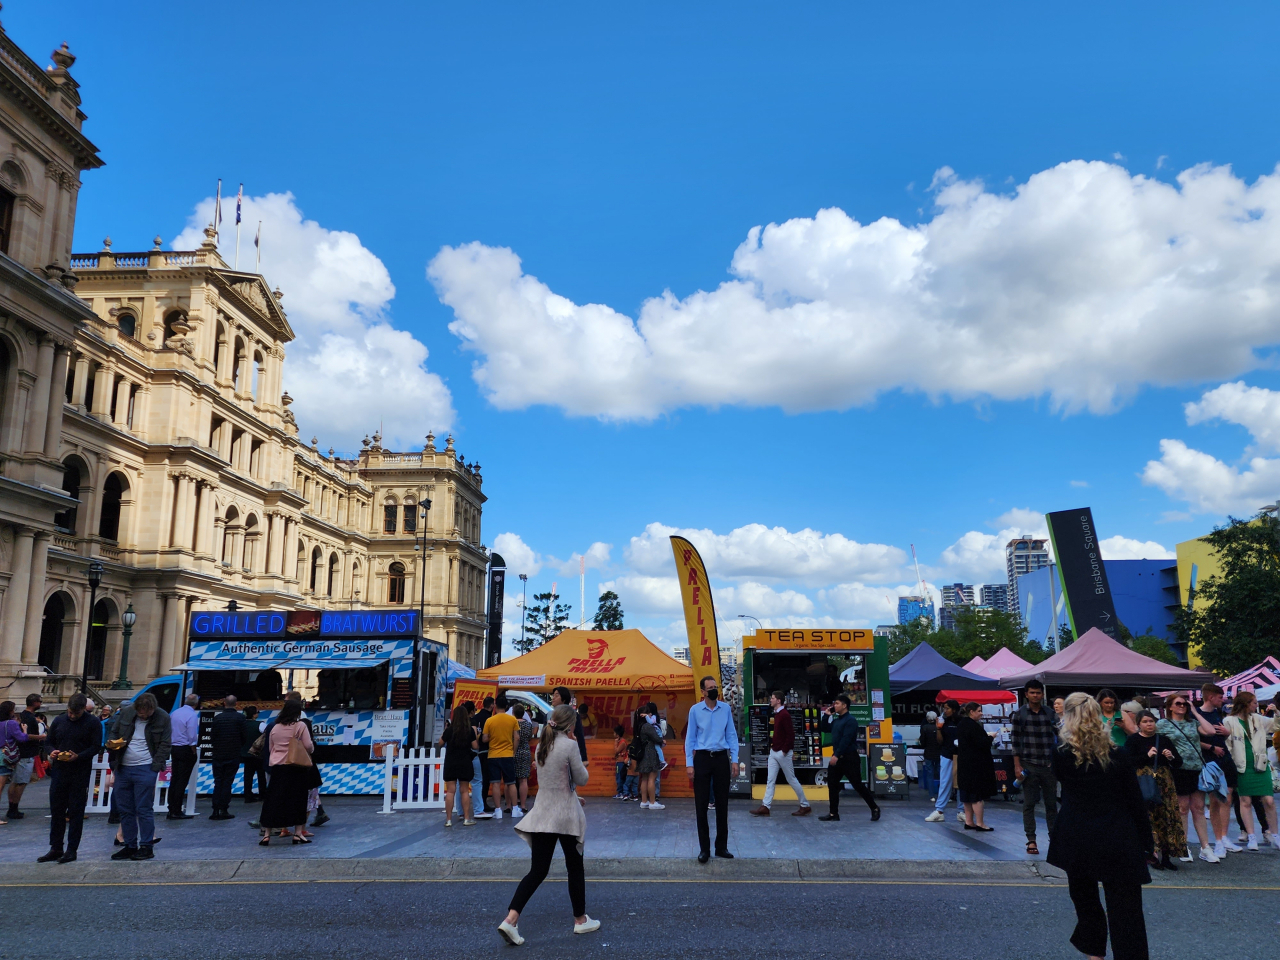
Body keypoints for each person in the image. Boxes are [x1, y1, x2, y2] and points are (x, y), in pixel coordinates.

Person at [1049, 692, 1152, 960]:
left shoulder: (1060, 754)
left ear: (1067, 716)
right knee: (1126, 909)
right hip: (1117, 834)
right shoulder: (1118, 753)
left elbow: (1063, 785)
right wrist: (1146, 841)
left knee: (1085, 900)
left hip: (1077, 834)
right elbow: (1133, 799)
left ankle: (1094, 952)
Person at [498, 704, 598, 945]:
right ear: (571, 725)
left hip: (543, 814)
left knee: (537, 871)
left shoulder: (542, 745)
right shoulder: (570, 745)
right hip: (565, 817)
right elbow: (582, 778)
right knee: (575, 868)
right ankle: (580, 920)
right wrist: (574, 743)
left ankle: (510, 919)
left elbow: (554, 782)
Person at [105, 692, 172, 861]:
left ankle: (146, 845)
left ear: (152, 709)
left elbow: (165, 744)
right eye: (140, 712)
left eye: (146, 712)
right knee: (125, 809)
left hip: (146, 767)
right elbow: (114, 732)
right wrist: (113, 745)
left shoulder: (162, 717)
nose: (142, 715)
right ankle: (129, 845)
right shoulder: (127, 713)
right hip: (124, 767)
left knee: (144, 808)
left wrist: (155, 767)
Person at [38, 693, 103, 864]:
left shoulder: (93, 722)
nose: (72, 716)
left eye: (76, 713)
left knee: (76, 812)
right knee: (57, 811)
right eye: (70, 712)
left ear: (84, 709)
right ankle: (56, 847)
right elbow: (48, 742)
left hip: (79, 772)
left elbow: (96, 746)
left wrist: (79, 756)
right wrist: (51, 751)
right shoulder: (60, 720)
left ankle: (72, 849)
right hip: (59, 770)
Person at [685, 675, 740, 860]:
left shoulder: (725, 709)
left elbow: (731, 735)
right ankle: (704, 849)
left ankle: (721, 847)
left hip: (720, 759)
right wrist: (689, 764)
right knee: (701, 805)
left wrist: (734, 760)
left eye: (715, 686)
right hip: (701, 758)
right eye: (710, 687)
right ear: (703, 692)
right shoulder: (695, 710)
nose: (714, 690)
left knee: (722, 804)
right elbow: (690, 739)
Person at [1157, 693, 1216, 863]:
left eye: (1184, 704)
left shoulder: (1192, 722)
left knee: (1198, 807)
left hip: (1196, 768)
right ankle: (1183, 845)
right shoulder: (1163, 724)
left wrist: (1195, 712)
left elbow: (1210, 731)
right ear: (1170, 706)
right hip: (1178, 768)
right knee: (1182, 808)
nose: (1182, 706)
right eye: (1178, 703)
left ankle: (1205, 847)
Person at [1123, 710, 1185, 871]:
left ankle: (1166, 856)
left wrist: (1171, 757)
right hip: (1144, 781)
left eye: (1151, 721)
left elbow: (1178, 762)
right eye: (1145, 721)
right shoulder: (1133, 740)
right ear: (1138, 724)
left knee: (1167, 816)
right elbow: (1127, 763)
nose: (1149, 724)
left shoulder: (1163, 739)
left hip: (1164, 783)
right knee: (1149, 817)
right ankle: (1151, 854)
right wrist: (1146, 756)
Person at [1222, 691, 1279, 851]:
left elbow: (1276, 725)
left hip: (1260, 764)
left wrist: (1276, 711)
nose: (1256, 705)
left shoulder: (1258, 718)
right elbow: (1227, 743)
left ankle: (1275, 834)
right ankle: (1251, 836)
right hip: (1241, 765)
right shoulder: (1229, 720)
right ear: (1246, 704)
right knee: (1245, 801)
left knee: (1268, 800)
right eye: (1254, 703)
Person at [1190, 682, 1240, 858]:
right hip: (1211, 760)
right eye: (1220, 697)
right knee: (1215, 799)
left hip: (1225, 757)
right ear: (1211, 697)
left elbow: (1220, 735)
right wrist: (1211, 748)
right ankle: (1218, 841)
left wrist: (1226, 734)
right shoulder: (1196, 715)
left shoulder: (1217, 713)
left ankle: (1224, 837)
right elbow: (1194, 739)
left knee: (1228, 796)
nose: (1223, 700)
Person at [1011, 679, 1058, 855]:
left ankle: (1054, 839)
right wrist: (1017, 766)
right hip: (1028, 764)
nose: (1035, 695)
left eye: (1038, 692)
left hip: (1048, 764)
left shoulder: (1050, 714)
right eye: (1032, 692)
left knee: (1051, 804)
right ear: (1026, 694)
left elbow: (1059, 738)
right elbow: (1015, 742)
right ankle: (1031, 840)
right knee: (1029, 803)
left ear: (1042, 694)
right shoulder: (1020, 714)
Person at [259, 698, 314, 845]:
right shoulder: (300, 725)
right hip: (296, 767)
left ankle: (267, 834)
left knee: (273, 799)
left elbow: (270, 748)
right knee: (298, 799)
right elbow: (308, 745)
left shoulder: (275, 727)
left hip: (278, 767)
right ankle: (297, 834)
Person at [819, 693, 879, 824]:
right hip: (837, 757)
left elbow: (846, 740)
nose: (835, 705)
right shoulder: (836, 720)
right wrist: (826, 715)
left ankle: (874, 808)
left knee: (857, 785)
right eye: (834, 703)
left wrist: (836, 755)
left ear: (845, 706)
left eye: (837, 703)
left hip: (849, 757)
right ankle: (833, 813)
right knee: (833, 785)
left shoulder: (850, 720)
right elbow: (824, 728)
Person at [751, 690, 812, 817]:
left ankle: (805, 805)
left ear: (778, 700)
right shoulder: (779, 714)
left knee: (791, 779)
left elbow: (791, 734)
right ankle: (765, 806)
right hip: (775, 751)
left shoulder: (784, 715)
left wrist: (785, 750)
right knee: (771, 780)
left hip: (781, 752)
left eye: (772, 698)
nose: (771, 700)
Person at [955, 701, 996, 831]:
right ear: (971, 712)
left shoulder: (961, 724)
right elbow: (981, 744)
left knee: (966, 795)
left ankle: (969, 821)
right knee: (977, 796)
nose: (981, 713)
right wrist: (990, 738)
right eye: (979, 711)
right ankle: (980, 823)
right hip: (976, 766)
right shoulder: (973, 726)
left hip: (964, 764)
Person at [7, 692, 46, 821]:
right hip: (26, 753)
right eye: (39, 701)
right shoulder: (29, 718)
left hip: (20, 753)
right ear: (34, 703)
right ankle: (13, 808)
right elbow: (27, 736)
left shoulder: (22, 716)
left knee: (15, 781)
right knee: (21, 782)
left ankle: (12, 807)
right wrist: (41, 737)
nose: (41, 704)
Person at [483, 694, 522, 819]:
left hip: (493, 755)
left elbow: (484, 738)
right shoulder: (512, 720)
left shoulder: (489, 720)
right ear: (506, 706)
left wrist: (491, 737)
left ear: (495, 706)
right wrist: (513, 751)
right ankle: (515, 809)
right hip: (507, 755)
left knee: (495, 783)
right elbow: (517, 737)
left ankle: (498, 810)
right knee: (511, 783)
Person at [440, 706, 479, 827]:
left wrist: (446, 730)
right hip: (465, 762)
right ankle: (467, 818)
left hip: (451, 762)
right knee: (464, 791)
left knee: (450, 791)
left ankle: (448, 820)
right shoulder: (469, 730)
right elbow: (475, 746)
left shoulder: (450, 730)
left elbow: (440, 743)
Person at [208, 695, 243, 820]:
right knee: (228, 781)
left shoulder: (217, 718)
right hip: (233, 753)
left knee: (218, 781)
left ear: (224, 703)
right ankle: (224, 808)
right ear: (236, 704)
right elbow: (242, 736)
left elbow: (212, 736)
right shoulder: (240, 718)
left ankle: (215, 809)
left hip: (218, 754)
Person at [167, 693, 200, 820]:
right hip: (185, 748)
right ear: (196, 703)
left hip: (174, 747)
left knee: (175, 779)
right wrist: (193, 748)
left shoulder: (175, 713)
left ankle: (171, 808)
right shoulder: (191, 715)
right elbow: (192, 734)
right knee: (182, 780)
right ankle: (176, 809)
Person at [0, 700, 30, 825]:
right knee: (0, 787)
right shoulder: (11, 723)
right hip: (4, 756)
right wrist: (24, 730)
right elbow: (22, 738)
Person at [635, 704, 664, 810]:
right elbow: (657, 738)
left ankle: (644, 801)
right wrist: (662, 740)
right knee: (652, 778)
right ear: (644, 714)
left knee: (644, 779)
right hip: (650, 753)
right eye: (648, 713)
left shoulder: (638, 726)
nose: (651, 714)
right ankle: (652, 802)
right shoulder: (647, 726)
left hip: (642, 754)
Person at [551, 687, 588, 762]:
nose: (553, 698)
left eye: (557, 695)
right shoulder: (549, 715)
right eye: (553, 695)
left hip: (568, 753)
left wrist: (584, 758)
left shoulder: (573, 715)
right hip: (552, 753)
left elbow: (579, 736)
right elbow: (543, 737)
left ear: (564, 699)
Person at [240, 705, 265, 802]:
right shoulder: (260, 725)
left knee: (248, 775)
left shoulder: (242, 724)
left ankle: (248, 795)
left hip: (245, 754)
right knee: (261, 775)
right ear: (254, 715)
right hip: (258, 754)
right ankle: (262, 794)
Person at [474, 695, 495, 811]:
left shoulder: (476, 718)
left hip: (476, 750)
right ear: (492, 705)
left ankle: (479, 803)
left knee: (478, 779)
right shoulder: (490, 719)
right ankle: (483, 803)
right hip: (488, 750)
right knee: (486, 778)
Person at [513, 703, 534, 811]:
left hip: (513, 751)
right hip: (525, 751)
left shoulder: (511, 723)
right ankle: (523, 805)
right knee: (523, 780)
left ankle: (513, 804)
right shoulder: (528, 725)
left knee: (512, 780)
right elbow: (530, 737)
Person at [918, 710, 941, 802]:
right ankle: (941, 794)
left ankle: (931, 795)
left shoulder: (925, 728)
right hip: (939, 753)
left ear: (927, 719)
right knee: (941, 774)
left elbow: (922, 743)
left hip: (928, 753)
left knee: (930, 774)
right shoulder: (940, 728)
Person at [612, 724, 629, 799]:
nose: (613, 734)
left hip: (621, 763)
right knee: (620, 776)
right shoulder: (621, 741)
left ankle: (621, 792)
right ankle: (622, 792)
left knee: (620, 777)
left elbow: (616, 751)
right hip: (619, 762)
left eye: (614, 733)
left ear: (617, 734)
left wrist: (615, 743)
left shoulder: (622, 742)